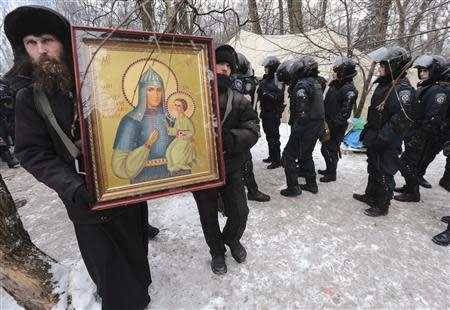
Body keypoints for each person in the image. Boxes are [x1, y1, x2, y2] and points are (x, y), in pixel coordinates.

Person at [5, 6, 151, 309]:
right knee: (108, 265)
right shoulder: (28, 97)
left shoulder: (98, 77)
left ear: (64, 42)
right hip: (83, 197)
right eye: (31, 43)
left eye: (47, 40)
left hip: (125, 185)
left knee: (135, 247)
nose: (41, 50)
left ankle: (142, 288)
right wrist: (73, 187)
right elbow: (32, 153)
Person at [192, 44, 259, 275]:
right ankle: (217, 252)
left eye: (228, 65)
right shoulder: (194, 95)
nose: (224, 68)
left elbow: (253, 129)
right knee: (208, 216)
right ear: (210, 65)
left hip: (231, 165)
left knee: (241, 212)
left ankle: (232, 239)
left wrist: (231, 138)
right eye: (220, 63)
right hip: (201, 169)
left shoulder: (240, 100)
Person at [354, 46, 415, 217]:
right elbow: (376, 112)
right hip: (376, 136)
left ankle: (382, 205)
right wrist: (367, 130)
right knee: (373, 167)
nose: (379, 69)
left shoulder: (402, 89)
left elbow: (402, 118)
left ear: (394, 67)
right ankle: (370, 195)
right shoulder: (386, 84)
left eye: (383, 66)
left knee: (384, 171)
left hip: (388, 140)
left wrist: (383, 137)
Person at [394, 55, 449, 202]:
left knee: (407, 163)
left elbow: (433, 119)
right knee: (409, 162)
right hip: (415, 131)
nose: (422, 73)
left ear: (435, 71)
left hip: (424, 136)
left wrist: (419, 138)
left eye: (425, 70)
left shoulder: (440, 91)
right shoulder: (427, 86)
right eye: (421, 70)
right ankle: (409, 186)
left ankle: (413, 192)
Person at [112, 67, 174, 183]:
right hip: (143, 178)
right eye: (150, 89)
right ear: (142, 92)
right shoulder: (131, 121)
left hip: (174, 176)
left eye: (159, 90)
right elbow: (119, 167)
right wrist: (147, 145)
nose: (156, 94)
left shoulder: (171, 119)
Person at [280, 56, 325, 197]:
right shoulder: (315, 82)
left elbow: (303, 113)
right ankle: (311, 184)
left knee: (288, 156)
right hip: (315, 126)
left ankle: (293, 187)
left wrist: (296, 132)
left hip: (307, 127)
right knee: (306, 155)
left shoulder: (303, 86)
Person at [232, 52, 270, 202]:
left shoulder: (240, 81)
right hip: (236, 127)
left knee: (243, 160)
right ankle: (251, 191)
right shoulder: (236, 82)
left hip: (239, 127)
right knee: (243, 160)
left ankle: (251, 190)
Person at [319, 56, 358, 182]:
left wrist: (334, 124)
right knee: (325, 147)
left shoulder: (348, 89)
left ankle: (332, 173)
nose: (333, 73)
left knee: (330, 149)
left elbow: (345, 111)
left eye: (336, 71)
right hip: (328, 121)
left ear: (343, 73)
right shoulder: (335, 85)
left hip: (336, 125)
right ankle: (329, 168)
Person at [257, 56, 285, 169]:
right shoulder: (267, 79)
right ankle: (272, 156)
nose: (265, 69)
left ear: (273, 68)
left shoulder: (277, 80)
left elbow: (279, 97)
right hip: (265, 111)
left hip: (273, 112)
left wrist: (266, 94)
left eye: (267, 67)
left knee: (274, 136)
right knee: (269, 135)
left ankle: (277, 159)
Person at [164, 98, 197, 172]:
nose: (176, 107)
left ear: (183, 107)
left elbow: (192, 132)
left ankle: (179, 166)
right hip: (179, 139)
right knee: (169, 151)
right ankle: (173, 167)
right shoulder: (178, 118)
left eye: (178, 106)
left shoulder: (186, 120)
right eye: (175, 105)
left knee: (175, 152)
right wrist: (167, 127)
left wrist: (182, 134)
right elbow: (175, 130)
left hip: (186, 140)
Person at [0, 78, 19, 168]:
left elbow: (11, 91)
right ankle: (8, 158)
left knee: (11, 131)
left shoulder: (4, 83)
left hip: (7, 111)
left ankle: (13, 154)